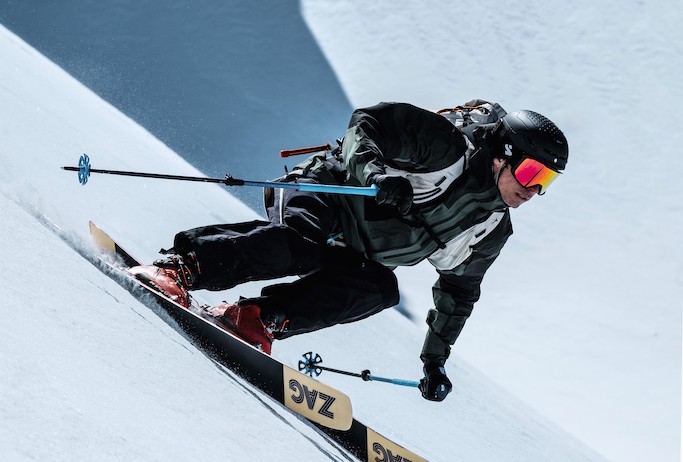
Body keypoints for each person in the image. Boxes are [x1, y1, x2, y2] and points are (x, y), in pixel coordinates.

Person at [130, 100, 568, 401]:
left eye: (545, 182)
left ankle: (256, 318)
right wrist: (377, 176)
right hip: (327, 190)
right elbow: (367, 125)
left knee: (380, 289)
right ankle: (179, 268)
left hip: (358, 248)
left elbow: (459, 293)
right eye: (531, 172)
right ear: (501, 155)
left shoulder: (489, 229)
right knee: (304, 244)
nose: (533, 190)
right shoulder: (445, 148)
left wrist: (435, 361)